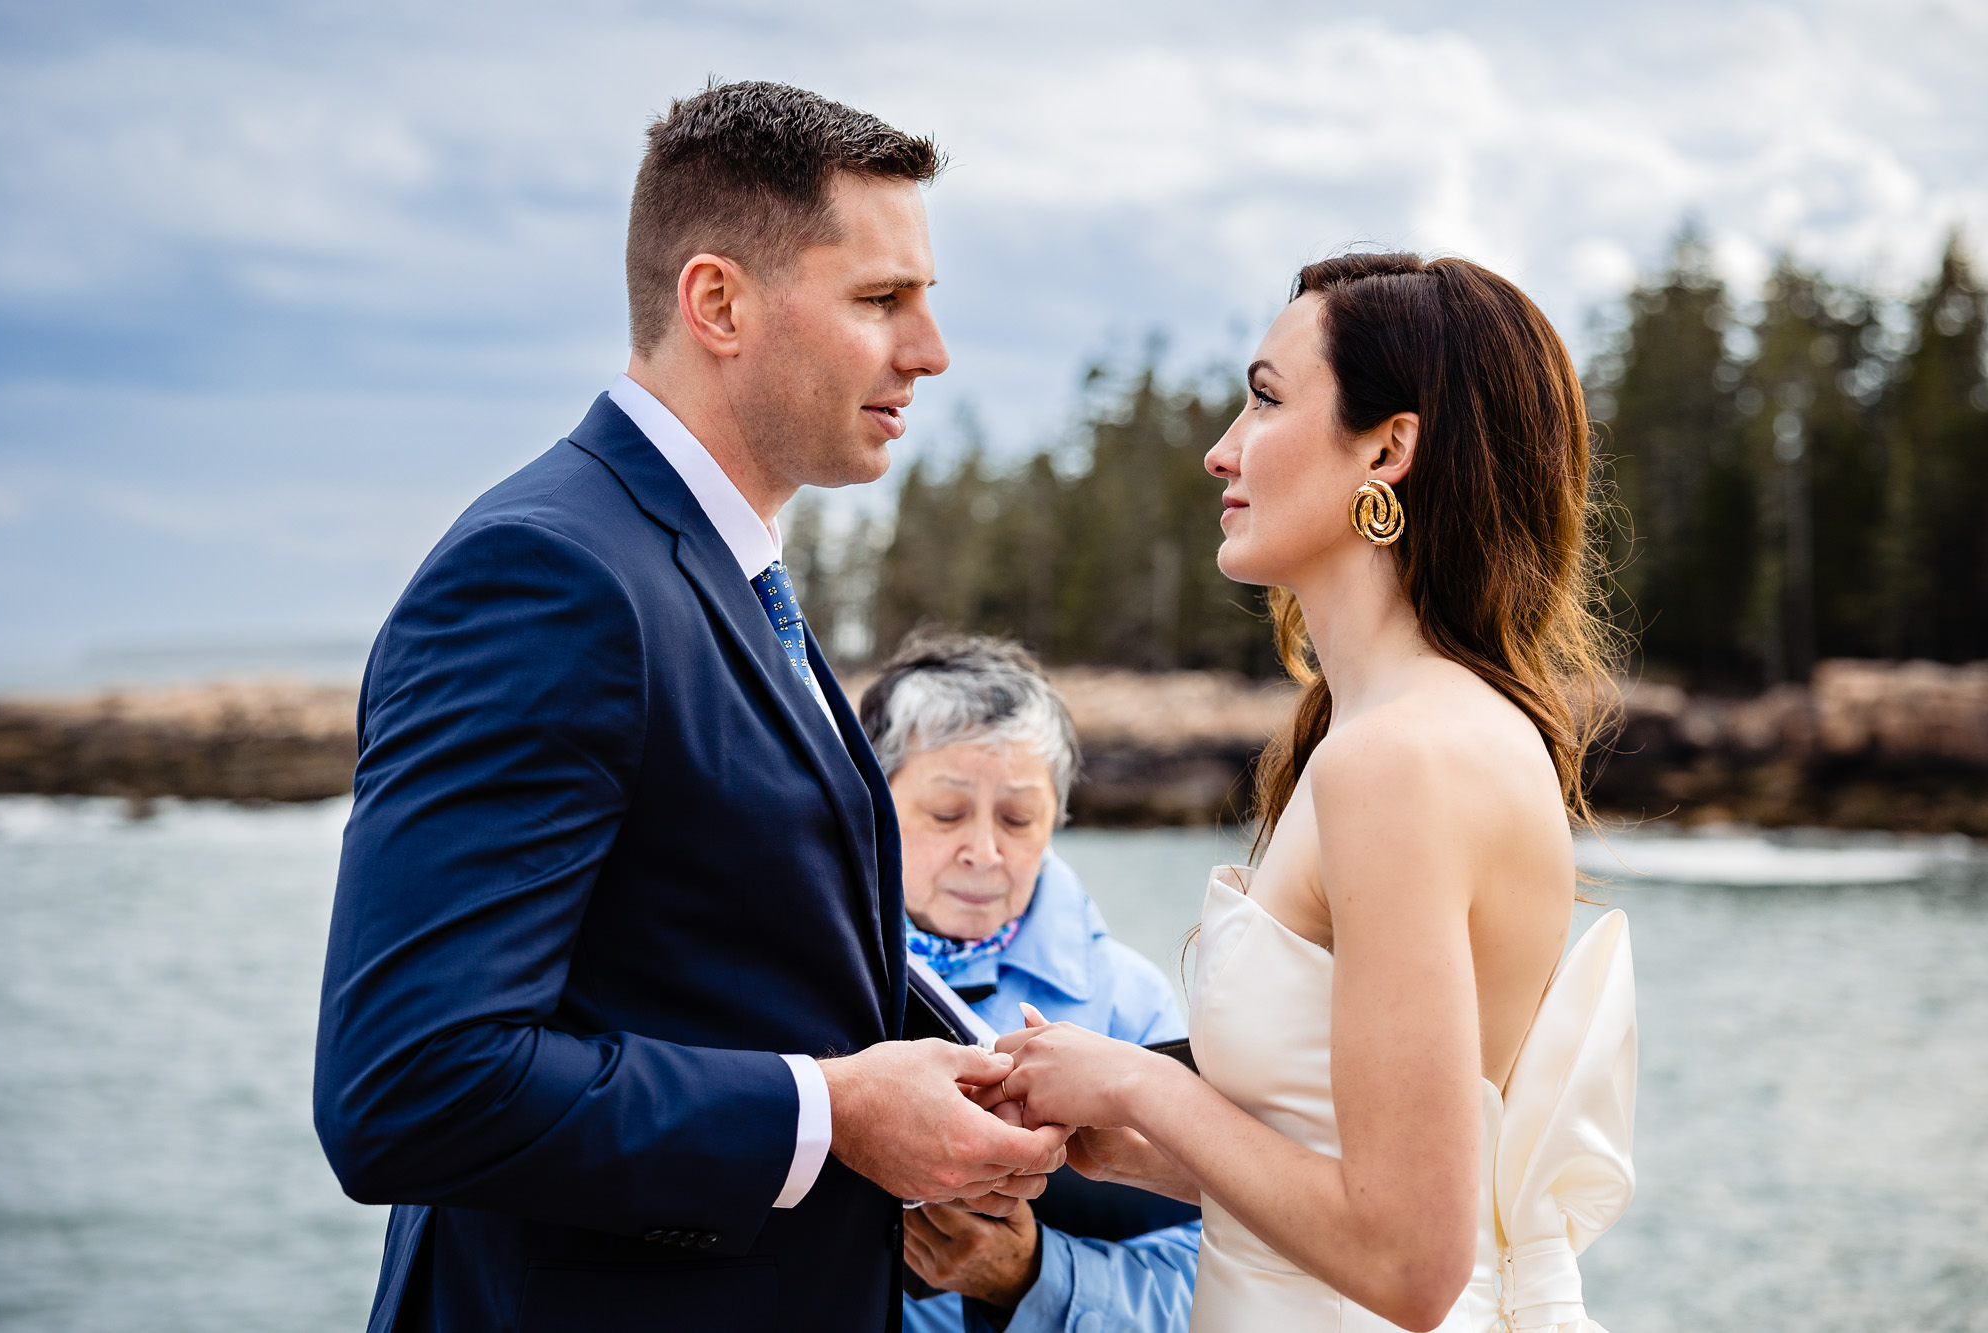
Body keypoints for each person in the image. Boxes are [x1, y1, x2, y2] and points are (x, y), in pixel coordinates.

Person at [312, 82, 1069, 1333]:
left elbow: (749, 968)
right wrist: (827, 1115)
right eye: (881, 300)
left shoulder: (722, 570)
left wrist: (1128, 1112)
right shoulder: (549, 576)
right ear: (716, 301)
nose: (929, 350)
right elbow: (410, 1085)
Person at [988, 254, 1638, 1333]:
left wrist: (1139, 1084)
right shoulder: (1425, 728)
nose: (1220, 450)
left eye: (1264, 398)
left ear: (1386, 448)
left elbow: (1408, 1263)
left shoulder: (1394, 760)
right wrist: (1145, 1150)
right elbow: (1406, 1187)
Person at [855, 632, 1200, 1333]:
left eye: (1018, 818)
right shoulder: (796, 965)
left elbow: (1216, 1281)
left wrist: (1031, 1277)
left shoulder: (1130, 1002)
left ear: (1057, 819)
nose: (984, 851)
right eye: (946, 813)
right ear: (871, 803)